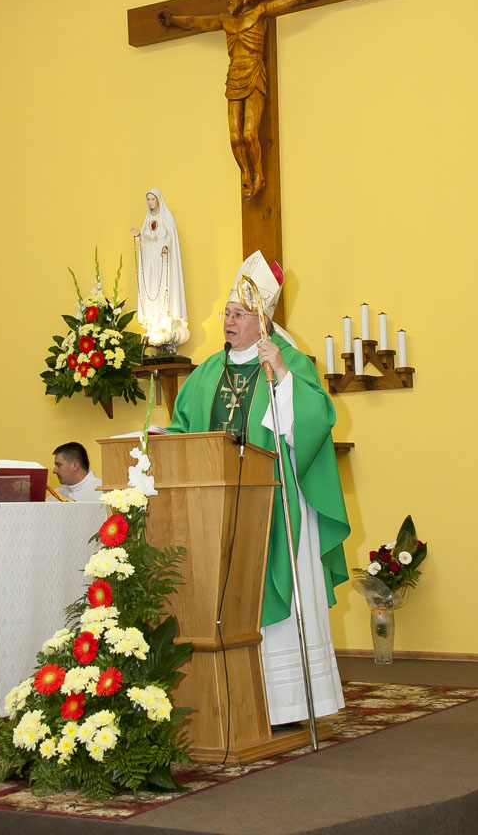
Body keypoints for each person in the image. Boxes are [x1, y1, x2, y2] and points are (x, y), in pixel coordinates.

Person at [167, 251, 351, 726]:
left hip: (275, 503)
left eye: (239, 315)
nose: (229, 322)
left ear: (262, 321)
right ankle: (230, 698)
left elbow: (314, 422)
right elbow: (183, 431)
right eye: (227, 313)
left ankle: (287, 703)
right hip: (215, 511)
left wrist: (284, 377)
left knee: (279, 594)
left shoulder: (288, 363)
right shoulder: (206, 373)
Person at [159, 0, 351, 200]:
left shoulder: (260, 12)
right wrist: (172, 20)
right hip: (234, 77)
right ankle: (245, 173)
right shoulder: (225, 21)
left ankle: (258, 174)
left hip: (254, 73)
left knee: (250, 134)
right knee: (235, 138)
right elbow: (195, 22)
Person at [130, 188, 189, 347]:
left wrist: (166, 247)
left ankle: (165, 325)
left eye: (153, 199)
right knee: (152, 288)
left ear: (158, 200)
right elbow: (147, 240)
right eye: (148, 199)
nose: (150, 202)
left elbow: (171, 237)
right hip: (151, 260)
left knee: (164, 289)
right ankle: (154, 325)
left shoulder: (166, 216)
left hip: (164, 259)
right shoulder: (148, 219)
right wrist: (139, 235)